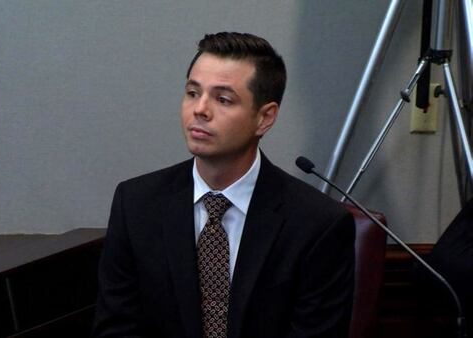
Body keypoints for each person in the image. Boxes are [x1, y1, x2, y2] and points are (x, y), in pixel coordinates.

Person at [93, 32, 355, 338]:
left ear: (265, 117)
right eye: (192, 93)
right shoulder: (136, 204)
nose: (200, 109)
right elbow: (115, 330)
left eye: (223, 99)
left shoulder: (317, 224)